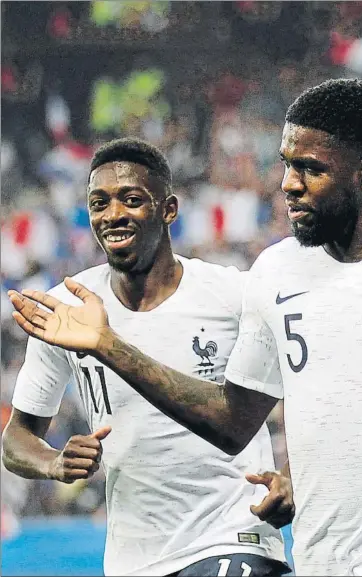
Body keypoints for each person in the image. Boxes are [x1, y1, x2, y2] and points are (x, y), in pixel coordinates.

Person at [8, 79, 362, 576]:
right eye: (287, 164)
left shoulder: (233, 290)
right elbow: (237, 420)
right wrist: (56, 457)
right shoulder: (276, 273)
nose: (288, 182)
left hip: (257, 541)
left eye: (309, 168)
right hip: (311, 557)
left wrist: (108, 345)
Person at [3, 138, 293, 577]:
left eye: (132, 200)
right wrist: (53, 461)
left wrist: (294, 473)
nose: (112, 214)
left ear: (169, 210)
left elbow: (315, 388)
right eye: (98, 203)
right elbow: (17, 438)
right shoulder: (67, 311)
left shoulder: (233, 294)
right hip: (134, 557)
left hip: (234, 534)